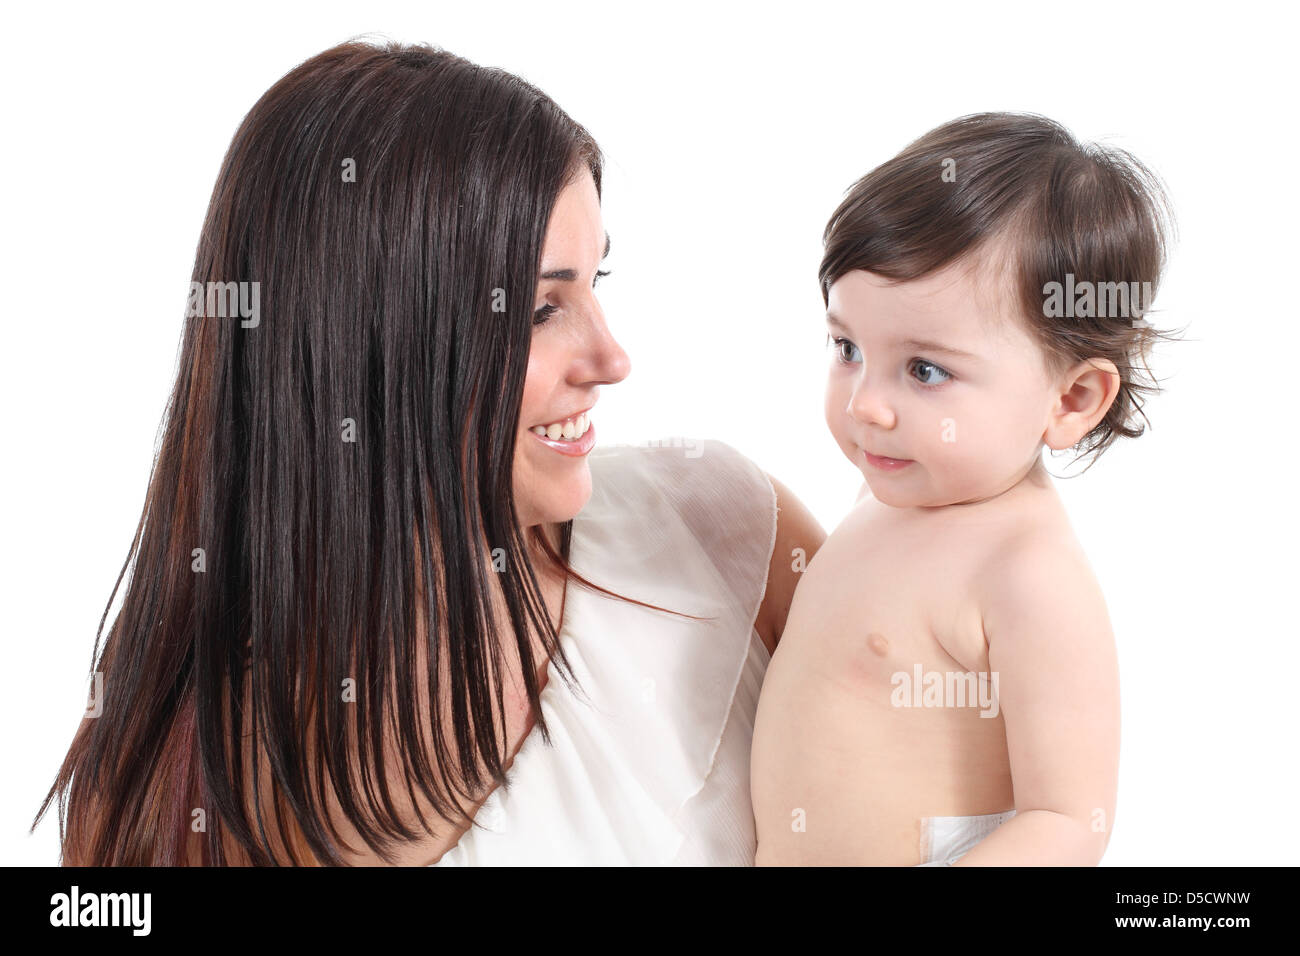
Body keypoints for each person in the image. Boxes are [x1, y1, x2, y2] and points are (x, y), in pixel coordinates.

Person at [33, 39, 824, 866]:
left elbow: (945, 794)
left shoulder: (723, 529)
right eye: (539, 311)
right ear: (371, 345)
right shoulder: (214, 791)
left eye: (599, 283)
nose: (612, 359)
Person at [751, 113, 1178, 866]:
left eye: (924, 370)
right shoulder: (883, 501)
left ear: (1072, 400)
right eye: (847, 348)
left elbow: (1070, 818)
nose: (865, 406)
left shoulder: (1026, 573)